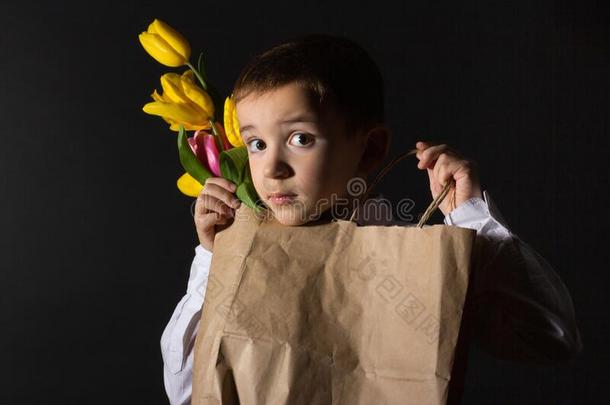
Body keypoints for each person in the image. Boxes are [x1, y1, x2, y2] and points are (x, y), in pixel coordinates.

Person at [160, 34, 582, 405]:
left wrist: (469, 217)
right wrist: (213, 258)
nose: (272, 168)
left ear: (370, 149)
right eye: (255, 143)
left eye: (300, 138)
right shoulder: (246, 250)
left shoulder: (410, 257)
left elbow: (550, 339)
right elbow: (185, 391)